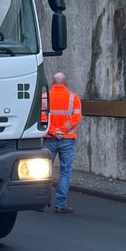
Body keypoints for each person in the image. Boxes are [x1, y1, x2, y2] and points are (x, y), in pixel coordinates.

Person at [44, 72, 82, 213]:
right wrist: (63, 130)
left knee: (43, 172)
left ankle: (40, 202)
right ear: (66, 83)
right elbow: (76, 117)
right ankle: (60, 204)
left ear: (52, 83)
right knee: (65, 172)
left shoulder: (44, 97)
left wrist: (54, 131)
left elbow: (42, 117)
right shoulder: (74, 98)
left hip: (49, 139)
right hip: (67, 140)